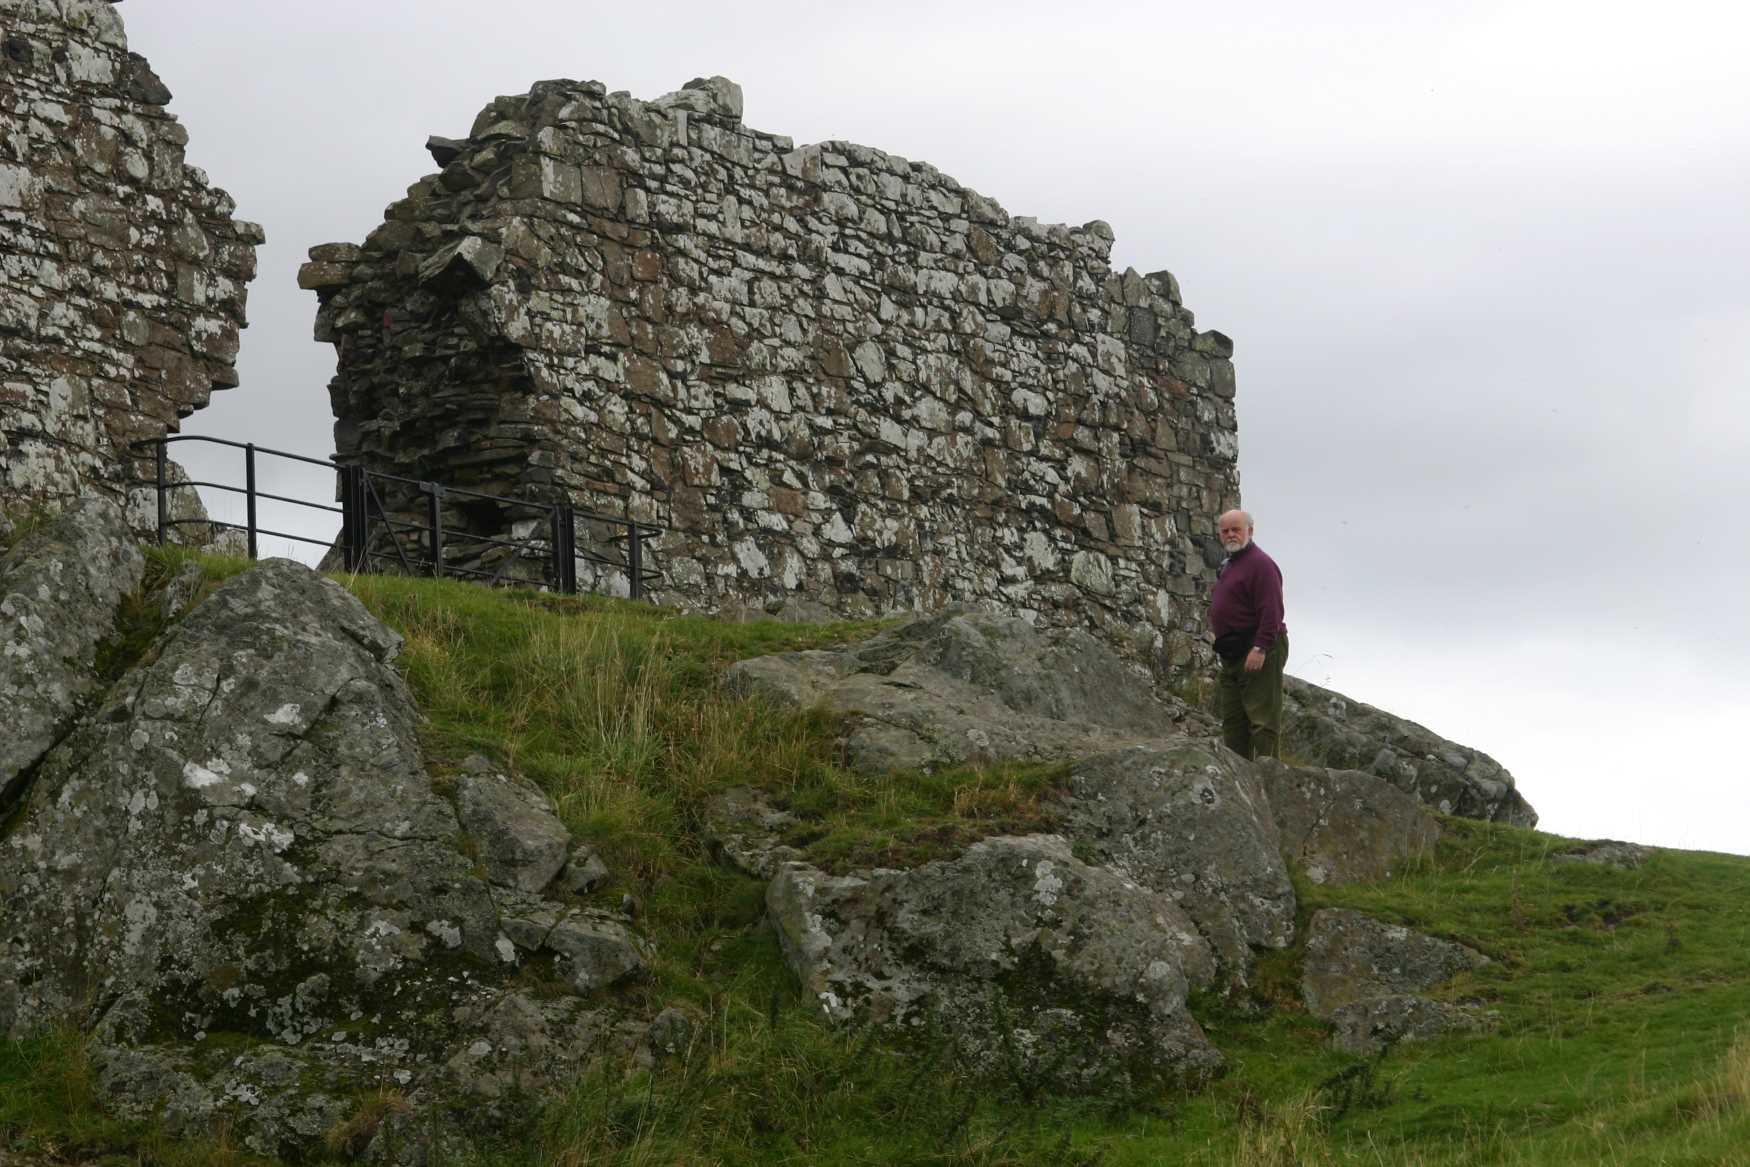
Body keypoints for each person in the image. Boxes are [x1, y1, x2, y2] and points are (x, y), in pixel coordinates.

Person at [1208, 508, 1288, 760]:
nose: (1231, 534)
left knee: (1263, 721)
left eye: (1236, 529)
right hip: (1233, 652)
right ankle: (1240, 784)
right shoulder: (1229, 565)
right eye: (1226, 530)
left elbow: (1272, 611)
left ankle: (1269, 782)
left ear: (1250, 532)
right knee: (1233, 723)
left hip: (1258, 649)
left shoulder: (1261, 564)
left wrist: (1261, 648)